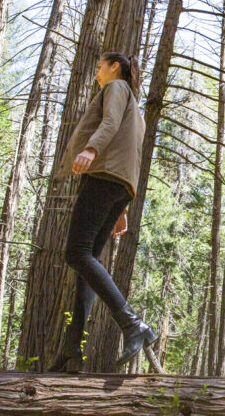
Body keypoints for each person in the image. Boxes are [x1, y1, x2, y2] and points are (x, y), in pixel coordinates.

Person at [48, 52, 157, 373]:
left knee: (76, 254)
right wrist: (123, 205)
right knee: (86, 265)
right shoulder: (135, 107)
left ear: (115, 68)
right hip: (120, 184)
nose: (96, 74)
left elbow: (108, 123)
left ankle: (132, 323)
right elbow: (132, 152)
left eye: (99, 68)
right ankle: (71, 350)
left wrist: (91, 148)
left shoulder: (116, 88)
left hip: (104, 177)